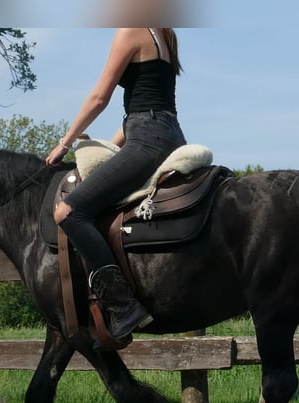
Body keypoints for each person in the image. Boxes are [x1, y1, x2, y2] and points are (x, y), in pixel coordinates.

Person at [45, 28, 186, 342]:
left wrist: (64, 143)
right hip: (168, 133)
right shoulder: (164, 34)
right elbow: (147, 106)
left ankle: (123, 306)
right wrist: (107, 150)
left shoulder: (131, 31)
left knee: (69, 212)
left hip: (147, 140)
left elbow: (99, 98)